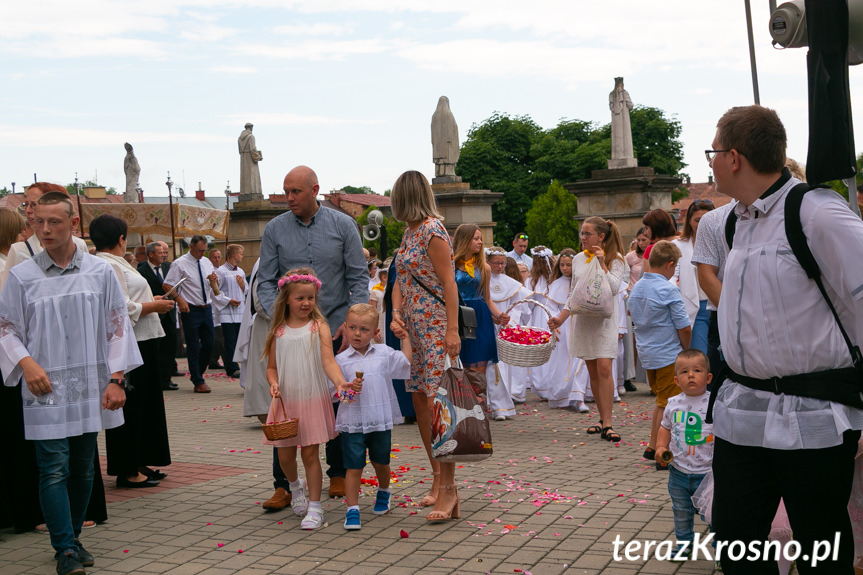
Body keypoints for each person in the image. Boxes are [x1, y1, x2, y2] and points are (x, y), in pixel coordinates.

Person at [708, 105, 863, 573]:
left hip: (811, 417)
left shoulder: (816, 212)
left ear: (734, 157)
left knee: (822, 550)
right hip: (743, 413)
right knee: (735, 544)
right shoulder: (735, 221)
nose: (710, 162)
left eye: (713, 152)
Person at [0, 191, 141, 575]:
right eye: (37, 222)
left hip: (90, 385)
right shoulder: (22, 275)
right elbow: (6, 328)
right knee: (53, 468)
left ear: (73, 223)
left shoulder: (99, 273)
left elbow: (117, 328)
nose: (44, 229)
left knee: (82, 468)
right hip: (44, 388)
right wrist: (26, 364)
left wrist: (116, 380)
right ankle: (63, 547)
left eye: (54, 222)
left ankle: (74, 536)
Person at [258, 165, 368, 501]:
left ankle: (336, 473)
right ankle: (284, 484)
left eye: (296, 192)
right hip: (290, 331)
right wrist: (276, 317)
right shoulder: (275, 229)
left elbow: (358, 277)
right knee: (285, 402)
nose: (288, 198)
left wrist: (352, 323)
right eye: (286, 191)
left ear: (315, 190)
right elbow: (264, 280)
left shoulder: (343, 225)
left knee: (335, 403)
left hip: (333, 327)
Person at [389, 170, 462, 523]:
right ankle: (437, 478)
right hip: (414, 331)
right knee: (420, 403)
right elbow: (401, 278)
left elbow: (449, 284)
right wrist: (395, 312)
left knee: (438, 409)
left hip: (434, 328)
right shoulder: (409, 233)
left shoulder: (433, 231)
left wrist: (452, 331)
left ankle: (450, 490)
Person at [91, 215, 175, 488]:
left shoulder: (118, 263)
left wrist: (153, 300)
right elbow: (122, 308)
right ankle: (127, 468)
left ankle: (140, 460)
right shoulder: (107, 265)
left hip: (145, 339)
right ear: (120, 238)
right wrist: (154, 307)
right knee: (132, 407)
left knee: (146, 406)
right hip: (130, 342)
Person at [263, 269, 351, 530]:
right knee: (285, 457)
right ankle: (294, 485)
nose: (306, 303)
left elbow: (328, 361)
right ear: (286, 299)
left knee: (311, 454)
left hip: (312, 397)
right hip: (286, 401)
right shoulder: (278, 331)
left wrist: (339, 382)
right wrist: (273, 383)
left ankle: (315, 507)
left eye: (310, 298)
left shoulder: (319, 327)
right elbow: (271, 367)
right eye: (300, 298)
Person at [548, 217, 628, 443]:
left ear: (601, 237)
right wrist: (561, 319)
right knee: (593, 370)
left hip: (604, 321)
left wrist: (602, 264)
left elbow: (613, 288)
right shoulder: (578, 259)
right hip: (583, 320)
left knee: (604, 368)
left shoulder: (616, 259)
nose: (582, 238)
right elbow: (574, 293)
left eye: (587, 234)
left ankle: (609, 423)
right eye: (581, 233)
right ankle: (601, 419)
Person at [335, 304, 411, 530]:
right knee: (353, 465)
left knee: (381, 461)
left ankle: (384, 491)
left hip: (378, 418)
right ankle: (352, 509)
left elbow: (406, 363)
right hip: (353, 421)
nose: (357, 334)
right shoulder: (340, 360)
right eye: (352, 328)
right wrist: (350, 389)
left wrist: (405, 338)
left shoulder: (384, 353)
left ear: (375, 331)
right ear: (346, 328)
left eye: (364, 329)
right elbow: (340, 395)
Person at [628, 241, 691, 468]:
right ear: (669, 265)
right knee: (669, 405)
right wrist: (687, 348)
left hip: (648, 355)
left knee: (661, 402)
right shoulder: (668, 289)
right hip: (668, 353)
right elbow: (683, 326)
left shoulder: (637, 288)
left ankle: (653, 444)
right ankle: (662, 453)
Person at [655, 349, 714, 560]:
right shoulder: (673, 403)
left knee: (714, 516)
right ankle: (684, 544)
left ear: (708, 377)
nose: (690, 375)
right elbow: (665, 428)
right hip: (678, 471)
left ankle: (720, 551)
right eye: (684, 371)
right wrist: (661, 447)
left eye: (697, 370)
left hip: (709, 474)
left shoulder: (714, 403)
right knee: (681, 511)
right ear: (676, 379)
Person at [0, 182, 89, 292]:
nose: (27, 210)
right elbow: (8, 297)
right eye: (25, 204)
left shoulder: (79, 245)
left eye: (33, 204)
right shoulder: (19, 251)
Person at [163, 235, 219, 393]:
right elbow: (167, 284)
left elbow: (213, 283)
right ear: (191, 247)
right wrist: (179, 300)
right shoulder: (179, 264)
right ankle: (197, 380)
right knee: (193, 345)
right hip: (190, 308)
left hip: (206, 306)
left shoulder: (206, 262)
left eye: (204, 250)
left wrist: (215, 280)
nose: (202, 253)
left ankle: (198, 372)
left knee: (209, 343)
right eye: (200, 250)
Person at [453, 224, 506, 374]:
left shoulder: (485, 268)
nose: (480, 242)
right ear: (465, 240)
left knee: (479, 365)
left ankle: (480, 397)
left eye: (481, 239)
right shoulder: (451, 265)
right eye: (476, 238)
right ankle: (465, 397)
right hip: (458, 315)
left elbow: (487, 298)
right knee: (461, 364)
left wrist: (499, 315)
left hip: (480, 316)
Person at [486, 247, 531, 420]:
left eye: (502, 263)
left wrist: (509, 321)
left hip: (505, 328)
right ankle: (490, 403)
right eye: (496, 263)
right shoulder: (483, 280)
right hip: (488, 326)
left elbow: (519, 306)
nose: (499, 267)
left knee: (504, 367)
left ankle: (502, 406)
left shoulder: (510, 283)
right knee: (491, 367)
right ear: (488, 262)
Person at [672, 200, 714, 354]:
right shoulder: (678, 246)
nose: (701, 224)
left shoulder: (723, 243)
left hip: (718, 305)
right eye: (697, 220)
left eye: (706, 219)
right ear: (689, 221)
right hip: (695, 306)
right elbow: (671, 277)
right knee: (699, 354)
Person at [138, 242, 179, 391]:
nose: (163, 255)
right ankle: (157, 380)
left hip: (169, 314)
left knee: (169, 347)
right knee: (157, 349)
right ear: (150, 254)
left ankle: (166, 378)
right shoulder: (141, 271)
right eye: (160, 253)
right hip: (153, 314)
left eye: (164, 252)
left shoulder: (169, 267)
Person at [522, 245, 554, 402]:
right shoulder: (554, 279)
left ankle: (542, 385)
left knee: (542, 350)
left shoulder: (531, 281)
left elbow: (528, 305)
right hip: (553, 315)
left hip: (538, 317)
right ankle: (552, 385)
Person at [214, 244, 245, 378]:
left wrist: (243, 286)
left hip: (240, 312)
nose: (242, 256)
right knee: (230, 341)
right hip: (227, 312)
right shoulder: (220, 271)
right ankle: (232, 368)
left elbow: (246, 291)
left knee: (240, 340)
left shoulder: (241, 272)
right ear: (234, 255)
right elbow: (214, 292)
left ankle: (241, 365)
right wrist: (228, 300)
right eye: (241, 254)